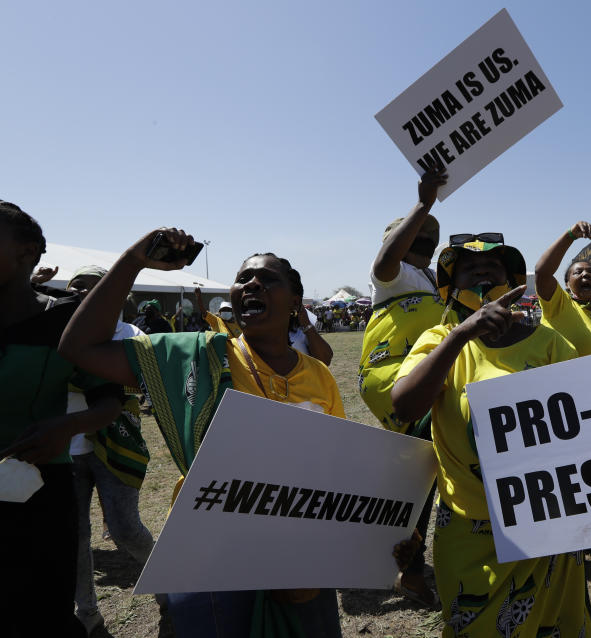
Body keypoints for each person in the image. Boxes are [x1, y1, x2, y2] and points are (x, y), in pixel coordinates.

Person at [391, 234, 591, 636]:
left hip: (550, 524)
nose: (482, 273)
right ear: (452, 286)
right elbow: (404, 406)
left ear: (513, 282)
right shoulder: (441, 342)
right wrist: (463, 334)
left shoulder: (551, 344)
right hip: (473, 531)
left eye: (493, 268)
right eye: (469, 268)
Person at [59, 227, 346, 638]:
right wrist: (133, 261)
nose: (252, 284)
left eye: (268, 278)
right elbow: (79, 348)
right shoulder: (196, 355)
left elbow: (335, 467)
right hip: (212, 547)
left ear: (295, 300)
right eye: (244, 277)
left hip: (297, 550)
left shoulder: (318, 375)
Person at [0, 201, 123, 638]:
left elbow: (110, 401)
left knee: (39, 612)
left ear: (27, 252)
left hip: (37, 489)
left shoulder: (65, 319)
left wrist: (66, 427)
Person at [357, 167, 447, 605]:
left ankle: (405, 563)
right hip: (393, 377)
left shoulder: (429, 280)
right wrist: (424, 204)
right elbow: (383, 262)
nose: (424, 246)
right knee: (430, 464)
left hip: (417, 377)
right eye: (415, 238)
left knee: (425, 471)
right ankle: (409, 568)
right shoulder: (392, 276)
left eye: (429, 240)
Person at [64, 265, 155, 634]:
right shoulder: (55, 334)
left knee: (125, 529)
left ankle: (167, 581)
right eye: (75, 287)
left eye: (93, 287)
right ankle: (87, 614)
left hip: (115, 443)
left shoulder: (129, 334)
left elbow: (141, 380)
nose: (83, 294)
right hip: (66, 449)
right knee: (76, 536)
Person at [534, 221, 591, 356]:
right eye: (578, 272)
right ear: (567, 284)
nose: (586, 274)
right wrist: (570, 235)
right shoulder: (559, 305)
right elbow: (542, 273)